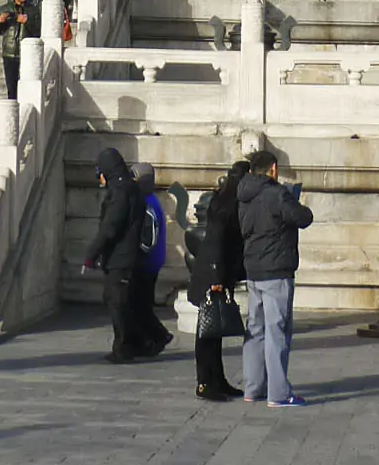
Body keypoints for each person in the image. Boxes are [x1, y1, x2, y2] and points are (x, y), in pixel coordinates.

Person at [236, 148, 314, 408]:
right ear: (272, 169)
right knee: (276, 331)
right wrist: (295, 200)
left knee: (255, 328)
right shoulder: (276, 194)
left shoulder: (244, 195)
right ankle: (278, 393)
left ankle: (253, 387)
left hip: (253, 269)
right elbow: (303, 218)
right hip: (276, 270)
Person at [186, 159, 249, 402]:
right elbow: (217, 244)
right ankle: (204, 382)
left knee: (215, 329)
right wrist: (217, 277)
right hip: (213, 273)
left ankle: (217, 379)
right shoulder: (226, 206)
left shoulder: (225, 201)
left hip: (217, 271)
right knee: (207, 330)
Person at [82, 148, 146, 362]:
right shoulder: (132, 189)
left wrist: (91, 254)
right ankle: (138, 342)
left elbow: (110, 227)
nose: (98, 178)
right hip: (126, 255)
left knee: (117, 302)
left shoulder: (120, 193)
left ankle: (125, 347)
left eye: (99, 172)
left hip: (121, 257)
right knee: (119, 300)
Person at [129, 163, 172, 357]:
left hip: (147, 262)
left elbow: (148, 237)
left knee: (140, 305)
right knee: (141, 304)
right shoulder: (150, 200)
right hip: (152, 261)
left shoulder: (147, 204)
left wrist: (139, 253)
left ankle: (160, 335)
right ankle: (144, 340)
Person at [0, 0, 41, 100]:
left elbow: (38, 31)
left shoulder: (33, 10)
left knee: (27, 87)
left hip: (27, 54)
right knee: (12, 88)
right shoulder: (4, 9)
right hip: (10, 53)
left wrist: (27, 22)